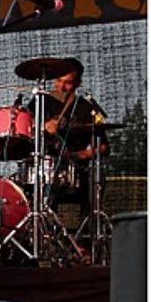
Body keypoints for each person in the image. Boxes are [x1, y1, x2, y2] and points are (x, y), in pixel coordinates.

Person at [34, 58, 109, 228]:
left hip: (77, 170)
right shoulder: (41, 102)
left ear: (78, 84)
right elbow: (26, 126)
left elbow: (104, 147)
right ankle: (41, 233)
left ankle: (87, 236)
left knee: (93, 184)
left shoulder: (85, 108)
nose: (61, 87)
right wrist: (42, 126)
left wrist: (81, 155)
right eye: (58, 80)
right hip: (44, 167)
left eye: (67, 83)